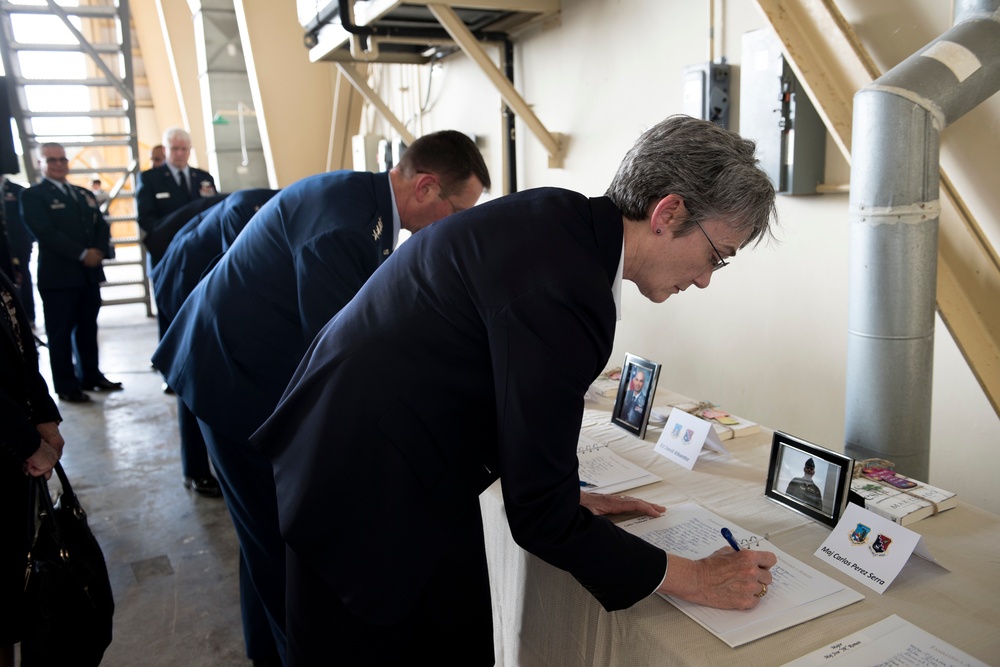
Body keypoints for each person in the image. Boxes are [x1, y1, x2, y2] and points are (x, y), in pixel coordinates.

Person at [250, 115, 779, 665]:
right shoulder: (567, 288)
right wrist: (691, 575)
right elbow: (539, 519)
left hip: (390, 452)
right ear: (668, 213)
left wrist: (554, 485)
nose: (704, 280)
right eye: (717, 256)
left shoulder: (561, 218)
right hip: (365, 489)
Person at [152, 130, 489, 664]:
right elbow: (341, 352)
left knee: (262, 536)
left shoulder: (366, 207)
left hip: (252, 369)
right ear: (426, 187)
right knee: (281, 541)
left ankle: (267, 651)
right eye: (458, 209)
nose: (455, 224)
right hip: (233, 379)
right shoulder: (344, 223)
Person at [150, 188, 278, 498]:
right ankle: (194, 470)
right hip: (183, 279)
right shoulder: (245, 207)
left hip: (204, 273)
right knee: (194, 370)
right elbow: (241, 269)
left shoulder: (275, 205)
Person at [20, 143, 122, 404]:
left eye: (62, 159)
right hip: (59, 278)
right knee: (60, 333)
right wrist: (81, 253)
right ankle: (66, 385)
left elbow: (100, 225)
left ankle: (91, 376)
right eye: (51, 160)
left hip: (88, 276)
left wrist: (98, 251)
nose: (58, 164)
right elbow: (45, 232)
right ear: (40, 164)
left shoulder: (82, 193)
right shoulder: (33, 196)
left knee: (88, 328)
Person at [0, 269, 64, 667]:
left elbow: (23, 347)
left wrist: (45, 417)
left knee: (12, 590)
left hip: (13, 447)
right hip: (8, 442)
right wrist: (29, 443)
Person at [135, 128, 217, 234]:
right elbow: (145, 218)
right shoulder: (150, 178)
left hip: (201, 238)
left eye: (184, 149)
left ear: (190, 150)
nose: (179, 153)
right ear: (165, 150)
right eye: (175, 149)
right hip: (167, 242)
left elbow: (214, 210)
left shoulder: (203, 178)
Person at [2, 178, 35, 326]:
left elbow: (29, 219)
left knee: (23, 279)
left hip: (20, 245)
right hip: (2, 248)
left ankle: (28, 317)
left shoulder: (18, 190)